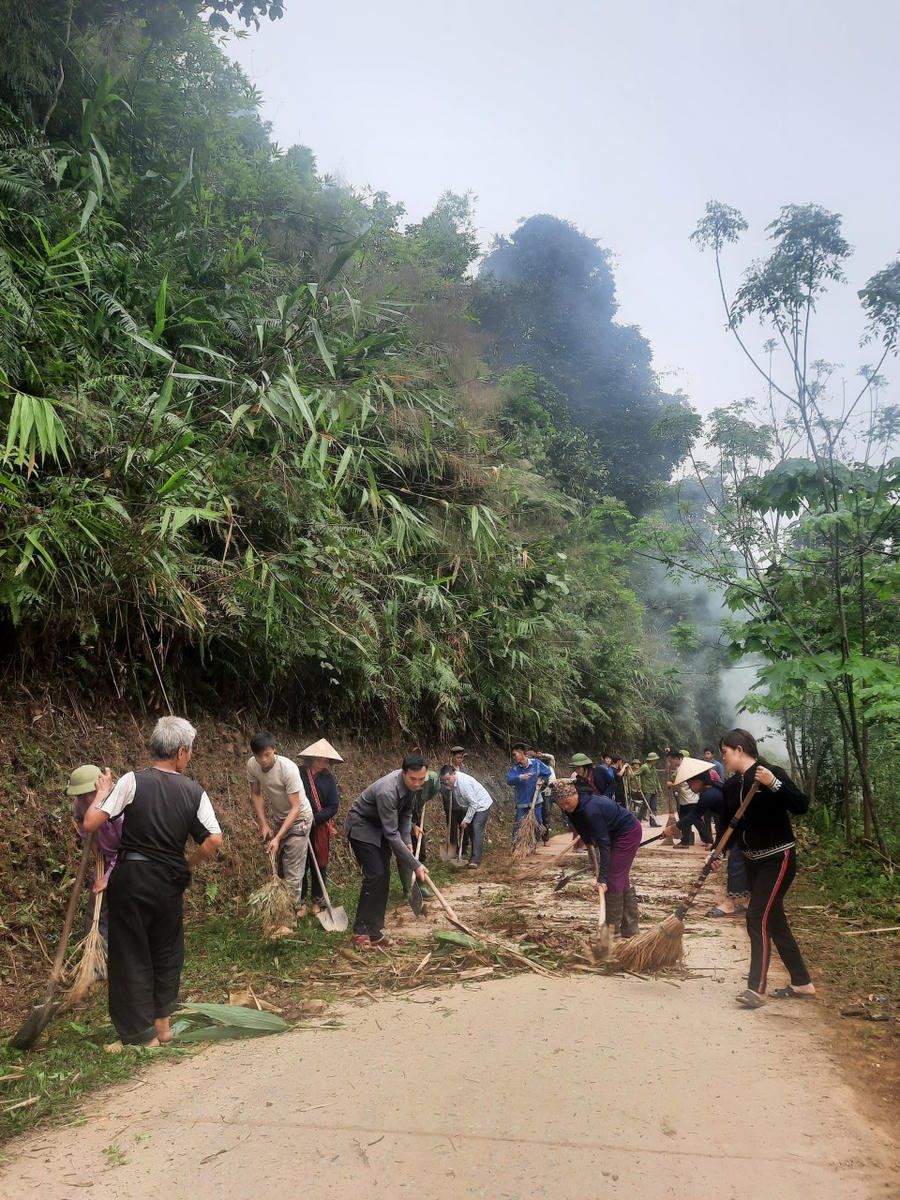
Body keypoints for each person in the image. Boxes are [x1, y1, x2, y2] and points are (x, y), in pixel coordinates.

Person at [83, 716, 222, 1047]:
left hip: (132, 878)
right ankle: (163, 1027)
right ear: (181, 752)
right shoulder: (195, 792)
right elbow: (214, 840)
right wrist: (187, 863)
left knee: (131, 951)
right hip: (169, 881)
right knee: (166, 950)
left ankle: (142, 1036)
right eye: (190, 751)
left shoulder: (132, 781)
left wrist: (102, 792)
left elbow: (90, 823)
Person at [719, 728, 815, 1008]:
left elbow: (801, 805)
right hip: (752, 862)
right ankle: (802, 982)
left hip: (778, 858)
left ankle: (756, 989)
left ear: (739, 750)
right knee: (773, 920)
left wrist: (774, 784)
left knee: (756, 916)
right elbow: (730, 825)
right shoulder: (731, 785)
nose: (723, 758)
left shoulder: (770, 773)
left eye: (725, 752)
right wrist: (717, 853)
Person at [344, 753, 428, 949]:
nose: (417, 784)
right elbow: (391, 834)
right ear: (403, 773)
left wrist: (407, 840)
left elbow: (406, 815)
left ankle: (374, 932)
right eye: (413, 779)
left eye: (421, 779)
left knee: (384, 877)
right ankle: (360, 931)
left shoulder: (413, 787)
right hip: (362, 826)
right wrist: (415, 865)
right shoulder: (387, 791)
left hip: (380, 829)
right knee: (375, 875)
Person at [552, 779, 643, 937]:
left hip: (628, 832)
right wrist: (588, 843)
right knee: (620, 877)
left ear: (575, 794)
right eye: (561, 805)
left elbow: (604, 843)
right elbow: (581, 828)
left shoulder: (591, 809)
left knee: (613, 877)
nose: (565, 807)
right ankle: (630, 928)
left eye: (567, 802)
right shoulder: (572, 809)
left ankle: (612, 931)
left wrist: (602, 878)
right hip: (613, 834)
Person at [246, 732, 313, 912]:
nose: (263, 760)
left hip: (300, 819)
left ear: (274, 750)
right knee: (281, 869)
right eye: (259, 756)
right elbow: (256, 794)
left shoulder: (287, 769)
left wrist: (277, 837)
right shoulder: (252, 765)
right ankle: (286, 910)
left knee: (292, 871)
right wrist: (263, 823)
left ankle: (289, 919)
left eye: (267, 755)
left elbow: (296, 807)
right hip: (280, 819)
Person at [68, 764, 123, 947]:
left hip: (129, 861)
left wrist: (108, 878)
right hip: (105, 858)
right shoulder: (80, 803)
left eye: (87, 794)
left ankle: (123, 953)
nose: (84, 799)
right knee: (96, 908)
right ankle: (95, 956)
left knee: (123, 906)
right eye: (80, 795)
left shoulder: (118, 807)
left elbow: (129, 847)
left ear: (99, 788)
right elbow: (80, 820)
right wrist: (92, 844)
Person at [297, 739, 342, 917]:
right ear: (311, 758)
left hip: (319, 826)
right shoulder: (299, 774)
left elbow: (333, 806)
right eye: (319, 759)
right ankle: (300, 903)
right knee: (300, 864)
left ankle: (317, 902)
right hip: (298, 824)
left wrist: (315, 819)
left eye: (325, 760)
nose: (322, 762)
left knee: (320, 864)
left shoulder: (328, 780)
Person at [399, 766, 441, 899]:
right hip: (403, 822)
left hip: (419, 819)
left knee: (421, 853)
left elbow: (435, 790)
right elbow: (398, 814)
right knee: (405, 854)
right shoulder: (403, 787)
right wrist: (412, 826)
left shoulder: (432, 780)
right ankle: (408, 890)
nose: (419, 783)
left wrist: (426, 799)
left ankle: (421, 886)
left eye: (422, 780)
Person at [506, 744, 552, 841]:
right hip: (522, 803)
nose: (514, 757)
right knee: (519, 824)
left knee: (537, 823)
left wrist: (542, 781)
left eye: (515, 754)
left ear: (521, 753)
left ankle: (534, 843)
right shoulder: (515, 769)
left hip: (536, 801)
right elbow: (509, 780)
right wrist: (520, 777)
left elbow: (547, 772)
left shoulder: (537, 764)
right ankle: (518, 845)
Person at [453, 766, 494, 868]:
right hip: (471, 806)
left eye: (448, 779)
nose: (446, 782)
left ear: (453, 774)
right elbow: (462, 801)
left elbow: (474, 803)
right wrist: (466, 818)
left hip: (482, 804)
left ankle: (476, 860)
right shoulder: (452, 782)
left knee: (476, 828)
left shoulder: (463, 784)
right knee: (470, 829)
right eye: (445, 780)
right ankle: (473, 854)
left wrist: (466, 820)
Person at [629, 755, 662, 826]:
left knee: (654, 807)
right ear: (651, 760)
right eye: (655, 759)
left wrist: (659, 788)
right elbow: (634, 775)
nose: (656, 761)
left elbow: (656, 779)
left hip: (654, 790)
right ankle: (637, 821)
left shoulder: (653, 768)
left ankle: (653, 822)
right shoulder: (644, 767)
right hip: (647, 790)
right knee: (645, 805)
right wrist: (638, 784)